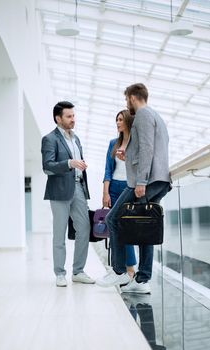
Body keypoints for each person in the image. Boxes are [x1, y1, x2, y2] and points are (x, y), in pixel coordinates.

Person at [96, 83, 171, 293]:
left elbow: (147, 148)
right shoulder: (156, 116)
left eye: (126, 99)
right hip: (160, 180)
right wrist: (128, 156)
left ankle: (119, 273)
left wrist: (141, 181)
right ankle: (142, 280)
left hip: (146, 181)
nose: (125, 103)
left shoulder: (143, 115)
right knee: (146, 227)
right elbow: (153, 148)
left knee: (113, 218)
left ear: (132, 97)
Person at [41, 101, 95, 287]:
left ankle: (78, 271)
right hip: (59, 191)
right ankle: (60, 273)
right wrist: (69, 164)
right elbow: (47, 166)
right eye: (69, 116)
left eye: (73, 116)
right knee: (59, 233)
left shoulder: (76, 138)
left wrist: (80, 165)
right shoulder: (50, 139)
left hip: (78, 187)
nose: (73, 119)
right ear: (58, 118)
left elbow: (78, 161)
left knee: (84, 228)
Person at [102, 110, 136, 277]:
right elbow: (108, 170)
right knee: (115, 228)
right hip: (114, 188)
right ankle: (119, 269)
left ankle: (129, 270)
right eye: (116, 120)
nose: (117, 122)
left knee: (125, 229)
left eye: (121, 119)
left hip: (128, 189)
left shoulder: (135, 143)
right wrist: (105, 193)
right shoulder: (113, 143)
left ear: (128, 121)